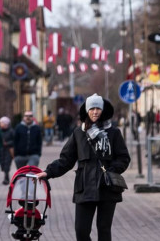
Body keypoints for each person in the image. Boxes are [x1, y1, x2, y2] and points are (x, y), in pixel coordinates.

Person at [35, 94, 131, 241]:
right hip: (84, 187)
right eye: (92, 108)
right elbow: (66, 160)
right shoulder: (79, 133)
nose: (95, 112)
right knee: (81, 230)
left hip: (107, 186)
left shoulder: (114, 133)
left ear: (103, 110)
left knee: (104, 230)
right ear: (86, 111)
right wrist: (48, 172)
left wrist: (112, 170)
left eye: (98, 108)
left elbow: (124, 158)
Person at [0, 116, 15, 184]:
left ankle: (6, 178)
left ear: (6, 124)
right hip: (1, 150)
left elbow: (15, 140)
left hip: (9, 150)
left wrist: (7, 143)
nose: (0, 124)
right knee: (2, 164)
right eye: (0, 123)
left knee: (7, 164)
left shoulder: (11, 131)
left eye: (2, 123)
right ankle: (6, 176)